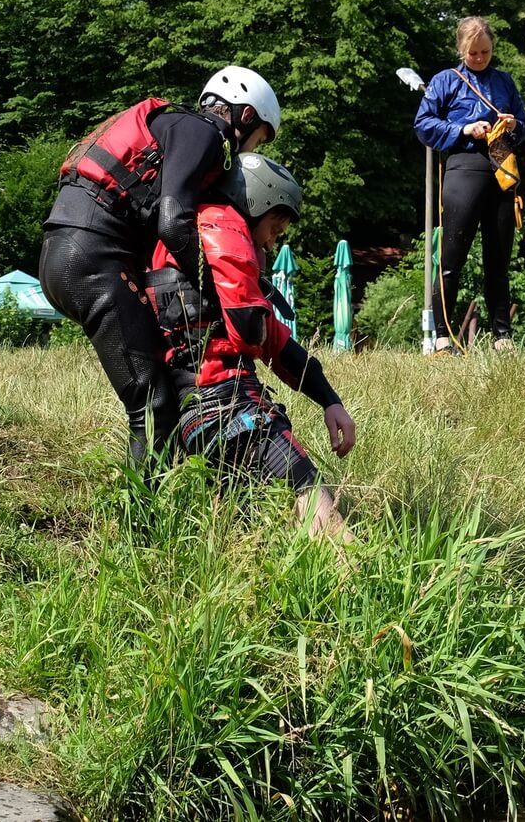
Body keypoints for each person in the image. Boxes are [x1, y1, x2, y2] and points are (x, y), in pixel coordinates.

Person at [39, 66, 281, 463]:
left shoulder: (173, 127)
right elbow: (172, 222)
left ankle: (197, 492)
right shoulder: (204, 132)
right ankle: (144, 524)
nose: (252, 151)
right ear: (246, 116)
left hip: (68, 252)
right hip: (92, 258)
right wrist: (222, 288)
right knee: (153, 407)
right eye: (259, 140)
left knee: (160, 392)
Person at [146, 153, 356, 543]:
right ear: (254, 204)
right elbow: (252, 331)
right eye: (274, 229)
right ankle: (365, 588)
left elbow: (278, 345)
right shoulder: (220, 224)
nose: (271, 243)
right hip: (232, 404)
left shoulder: (185, 252)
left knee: (245, 531)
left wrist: (330, 400)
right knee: (309, 493)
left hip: (192, 417)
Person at [414, 16, 525, 353]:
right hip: (464, 167)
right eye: (473, 53)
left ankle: (502, 336)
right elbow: (423, 124)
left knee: (499, 258)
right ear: (460, 50)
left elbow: (524, 126)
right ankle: (442, 335)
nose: (479, 58)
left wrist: (513, 125)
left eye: (485, 52)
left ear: (493, 48)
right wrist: (463, 130)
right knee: (452, 257)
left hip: (501, 168)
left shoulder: (504, 82)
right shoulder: (445, 81)